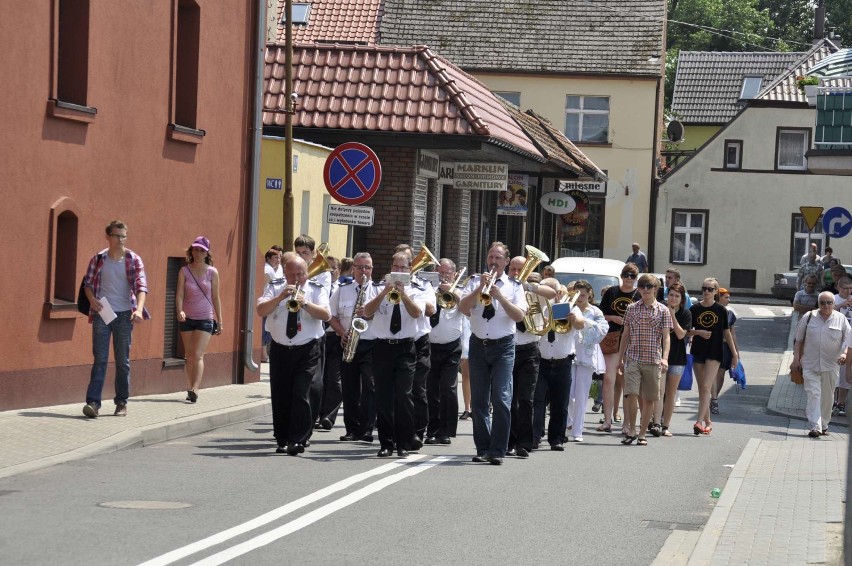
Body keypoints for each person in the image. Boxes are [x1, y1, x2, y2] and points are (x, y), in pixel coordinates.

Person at [459, 242, 526, 465]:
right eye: (490, 257)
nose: (493, 261)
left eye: (498, 258)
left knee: (501, 398)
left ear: (506, 262)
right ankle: (483, 447)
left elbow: (518, 317)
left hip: (503, 347)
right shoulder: (474, 282)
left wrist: (500, 297)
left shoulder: (515, 286)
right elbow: (462, 308)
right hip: (478, 344)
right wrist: (480, 289)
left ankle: (498, 450)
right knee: (479, 401)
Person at [256, 255, 330, 455]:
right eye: (292, 274)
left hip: (307, 348)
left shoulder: (316, 289)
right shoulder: (275, 286)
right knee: (281, 394)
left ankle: (298, 439)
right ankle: (282, 438)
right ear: (285, 273)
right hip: (280, 348)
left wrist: (305, 303)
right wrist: (280, 297)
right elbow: (261, 310)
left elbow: (326, 315)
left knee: (302, 393)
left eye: (301, 274)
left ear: (307, 273)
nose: (297, 278)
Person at [81, 220, 149, 418]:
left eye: (123, 236)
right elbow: (87, 283)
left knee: (122, 362)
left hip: (125, 314)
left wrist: (139, 310)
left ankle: (121, 402)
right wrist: (91, 299)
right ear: (108, 237)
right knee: (100, 359)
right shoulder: (99, 258)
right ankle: (93, 403)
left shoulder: (133, 259)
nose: (120, 239)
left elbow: (141, 286)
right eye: (117, 235)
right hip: (103, 312)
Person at [363, 251, 426, 458]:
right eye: (396, 268)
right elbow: (367, 312)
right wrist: (384, 293)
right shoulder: (378, 288)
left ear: (410, 269)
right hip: (382, 347)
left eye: (403, 268)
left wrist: (404, 294)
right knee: (383, 396)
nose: (399, 272)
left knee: (404, 395)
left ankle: (404, 442)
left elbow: (417, 313)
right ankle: (386, 443)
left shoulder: (417, 289)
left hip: (406, 348)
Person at [507, 258, 556, 458]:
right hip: (508, 348)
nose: (516, 272)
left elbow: (552, 293)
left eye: (520, 269)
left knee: (526, 398)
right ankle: (508, 440)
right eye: (513, 269)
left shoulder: (533, 288)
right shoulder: (504, 288)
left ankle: (524, 443)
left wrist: (527, 286)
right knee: (507, 399)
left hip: (529, 349)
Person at [616, 274, 671, 446]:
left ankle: (642, 433)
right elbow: (625, 334)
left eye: (649, 286)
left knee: (649, 399)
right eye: (642, 286)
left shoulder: (663, 310)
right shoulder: (631, 308)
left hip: (653, 360)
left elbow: (666, 337)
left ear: (655, 289)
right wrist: (620, 358)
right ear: (638, 289)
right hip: (633, 358)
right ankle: (631, 429)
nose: (645, 290)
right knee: (631, 394)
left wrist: (665, 358)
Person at [329, 252, 378, 443]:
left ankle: (367, 429)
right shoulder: (342, 289)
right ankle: (352, 429)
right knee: (349, 388)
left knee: (370, 386)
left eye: (367, 267)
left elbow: (384, 316)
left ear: (372, 269)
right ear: (353, 269)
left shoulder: (378, 290)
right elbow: (330, 315)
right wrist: (342, 332)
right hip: (348, 341)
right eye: (359, 267)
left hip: (371, 342)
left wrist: (369, 313)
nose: (363, 271)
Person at [792, 292, 850, 438]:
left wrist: (844, 354)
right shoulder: (809, 317)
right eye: (822, 302)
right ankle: (815, 426)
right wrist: (796, 359)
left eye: (829, 303)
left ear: (834, 304)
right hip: (810, 364)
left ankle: (824, 424)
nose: (826, 305)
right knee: (814, 394)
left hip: (831, 365)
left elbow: (848, 340)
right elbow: (798, 340)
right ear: (818, 304)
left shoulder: (841, 319)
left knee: (828, 397)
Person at [534, 280, 582, 449]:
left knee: (560, 403)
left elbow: (581, 324)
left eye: (555, 290)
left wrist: (573, 319)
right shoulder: (539, 307)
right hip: (541, 361)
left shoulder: (571, 307)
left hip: (563, 362)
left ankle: (556, 439)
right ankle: (535, 436)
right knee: (537, 401)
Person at [689, 278, 738, 435]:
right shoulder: (694, 309)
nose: (706, 291)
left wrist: (735, 353)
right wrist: (699, 332)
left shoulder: (722, 310)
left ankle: (698, 422)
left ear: (716, 291)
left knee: (706, 387)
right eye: (704, 288)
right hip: (698, 349)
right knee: (702, 388)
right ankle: (708, 421)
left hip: (715, 351)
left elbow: (727, 332)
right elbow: (686, 330)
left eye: (710, 289)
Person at [175, 236, 222, 403]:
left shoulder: (212, 272)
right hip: (187, 317)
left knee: (198, 354)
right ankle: (190, 386)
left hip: (205, 318)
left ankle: (195, 388)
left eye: (201, 250)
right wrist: (179, 310)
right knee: (189, 355)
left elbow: (216, 297)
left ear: (207, 253)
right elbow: (179, 293)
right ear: (191, 251)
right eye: (195, 249)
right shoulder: (184, 271)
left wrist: (220, 320)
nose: (198, 252)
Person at [426, 258, 465, 445]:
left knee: (448, 388)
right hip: (430, 346)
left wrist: (452, 291)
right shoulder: (428, 290)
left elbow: (466, 309)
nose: (443, 277)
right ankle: (432, 429)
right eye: (440, 273)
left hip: (451, 347)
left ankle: (446, 430)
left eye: (447, 273)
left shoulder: (460, 292)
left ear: (454, 275)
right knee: (431, 389)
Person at [598, 264, 639, 433]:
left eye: (632, 275)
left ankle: (627, 423)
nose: (628, 278)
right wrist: (613, 317)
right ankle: (607, 420)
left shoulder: (639, 294)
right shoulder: (612, 292)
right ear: (621, 276)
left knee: (629, 381)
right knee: (609, 378)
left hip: (633, 340)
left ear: (636, 277)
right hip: (613, 339)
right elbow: (600, 315)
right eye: (625, 275)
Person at [566, 280, 608, 443]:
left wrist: (584, 322)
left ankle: (577, 430)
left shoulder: (596, 311)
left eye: (583, 294)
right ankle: (569, 421)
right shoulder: (568, 306)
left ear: (590, 294)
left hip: (587, 354)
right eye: (577, 294)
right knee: (568, 393)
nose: (580, 297)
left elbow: (602, 330)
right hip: (568, 352)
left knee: (582, 394)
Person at [653, 282, 691, 436]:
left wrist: (673, 315)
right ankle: (655, 421)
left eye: (677, 296)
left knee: (671, 393)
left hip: (677, 357)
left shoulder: (685, 313)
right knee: (658, 391)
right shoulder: (659, 309)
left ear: (682, 299)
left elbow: (681, 334)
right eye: (671, 295)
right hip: (659, 356)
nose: (673, 298)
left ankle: (665, 425)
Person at [317, 256, 343, 429]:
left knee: (334, 379)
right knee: (318, 378)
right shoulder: (318, 288)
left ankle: (328, 416)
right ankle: (316, 413)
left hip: (335, 335)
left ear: (339, 271)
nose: (331, 271)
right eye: (327, 268)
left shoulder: (343, 289)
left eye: (334, 268)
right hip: (318, 336)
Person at [710, 288, 738, 415]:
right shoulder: (711, 310)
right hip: (713, 345)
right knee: (713, 375)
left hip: (725, 347)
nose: (729, 300)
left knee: (721, 375)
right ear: (719, 297)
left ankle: (714, 398)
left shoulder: (730, 312)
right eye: (726, 297)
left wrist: (735, 351)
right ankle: (714, 399)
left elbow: (732, 333)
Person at [833, 277, 852, 417]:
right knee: (834, 373)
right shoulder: (833, 299)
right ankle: (832, 401)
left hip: (849, 342)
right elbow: (826, 311)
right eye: (845, 288)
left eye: (851, 288)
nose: (848, 291)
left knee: (846, 373)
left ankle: (841, 403)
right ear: (839, 288)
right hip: (834, 340)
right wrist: (843, 304)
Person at [262, 249, 283, 363]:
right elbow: (264, 286)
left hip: (271, 301)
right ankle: (264, 354)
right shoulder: (268, 269)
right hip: (268, 302)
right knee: (265, 330)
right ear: (268, 258)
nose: (278, 260)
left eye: (279, 257)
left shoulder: (272, 269)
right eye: (275, 258)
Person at [459, 316, 472, 420]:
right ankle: (468, 408)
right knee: (466, 375)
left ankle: (478, 405)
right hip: (464, 334)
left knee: (481, 377)